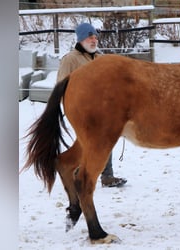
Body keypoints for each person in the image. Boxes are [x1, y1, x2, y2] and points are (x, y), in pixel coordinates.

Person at [57, 22, 127, 188]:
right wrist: (73, 107)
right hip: (82, 111)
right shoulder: (71, 59)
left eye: (95, 37)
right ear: (81, 39)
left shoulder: (99, 58)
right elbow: (60, 86)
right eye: (90, 37)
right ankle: (80, 170)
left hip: (102, 110)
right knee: (90, 142)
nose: (94, 40)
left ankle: (104, 175)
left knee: (103, 139)